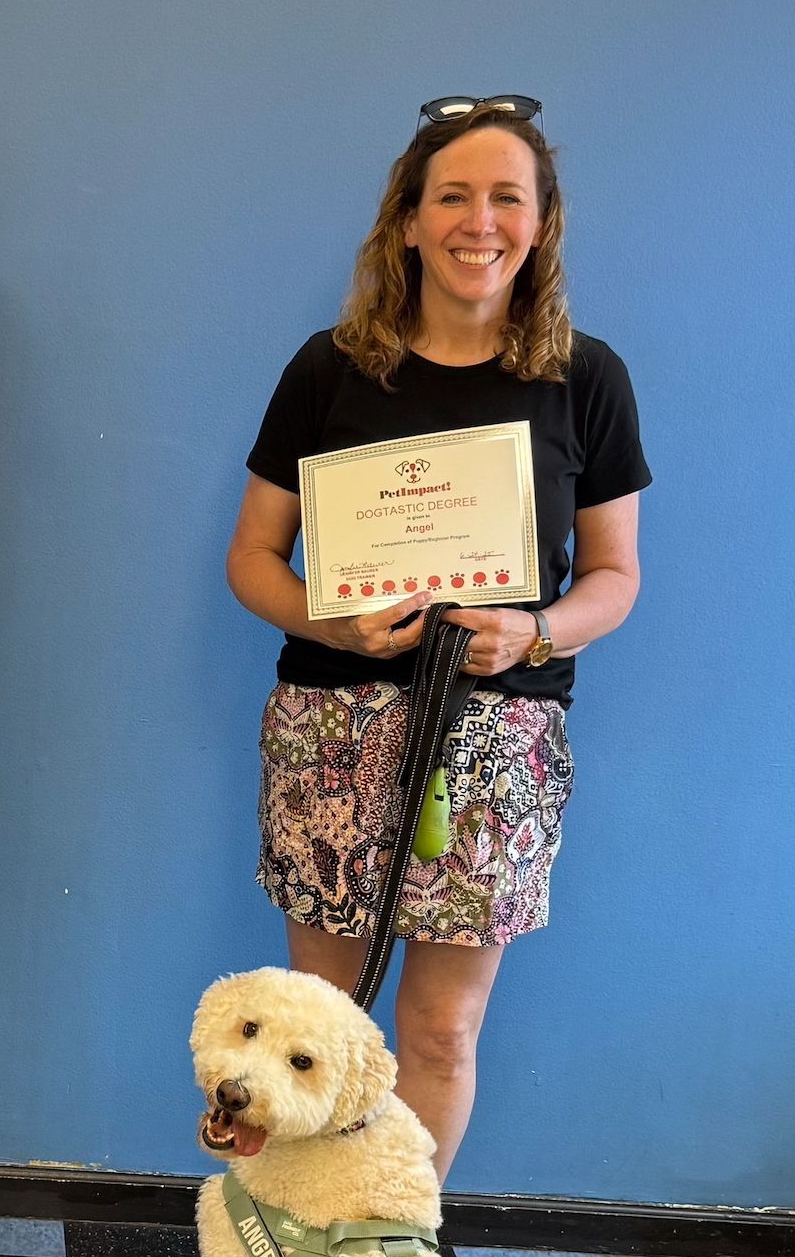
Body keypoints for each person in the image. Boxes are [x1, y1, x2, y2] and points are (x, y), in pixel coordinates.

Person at [225, 95, 649, 1182]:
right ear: (408, 222)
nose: (480, 221)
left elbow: (614, 578)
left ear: (541, 224)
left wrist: (535, 631)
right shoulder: (328, 369)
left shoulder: (585, 378)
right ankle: (304, 1237)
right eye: (452, 195)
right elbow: (253, 559)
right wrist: (335, 621)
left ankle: (393, 1237)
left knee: (441, 1031)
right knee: (320, 1024)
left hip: (496, 743)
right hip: (333, 729)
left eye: (508, 197)